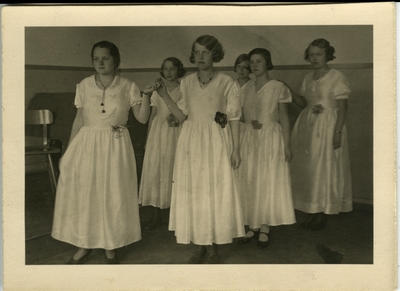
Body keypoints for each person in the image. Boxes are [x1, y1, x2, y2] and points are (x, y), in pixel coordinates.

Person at [51, 40, 151, 264]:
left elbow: (142, 118)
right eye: (96, 59)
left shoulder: (127, 85)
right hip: (87, 144)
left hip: (115, 145)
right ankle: (84, 243)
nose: (100, 62)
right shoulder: (84, 85)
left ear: (115, 60)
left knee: (112, 193)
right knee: (87, 194)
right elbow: (79, 120)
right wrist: (68, 151)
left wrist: (147, 95)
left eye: (105, 58)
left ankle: (110, 244)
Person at [154, 35, 245, 264]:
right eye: (197, 52)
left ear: (214, 54)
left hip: (215, 141)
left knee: (213, 191)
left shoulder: (227, 82)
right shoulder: (186, 82)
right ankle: (200, 244)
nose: (200, 57)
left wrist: (235, 150)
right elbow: (182, 115)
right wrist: (164, 95)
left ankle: (213, 244)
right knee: (195, 191)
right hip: (191, 142)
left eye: (205, 52)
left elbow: (233, 118)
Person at [289, 38, 353, 231]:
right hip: (307, 127)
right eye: (311, 54)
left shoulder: (336, 76)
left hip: (328, 126)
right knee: (309, 169)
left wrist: (338, 132)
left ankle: (323, 211)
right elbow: (302, 103)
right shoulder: (308, 78)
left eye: (319, 54)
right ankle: (312, 211)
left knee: (323, 168)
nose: (314, 58)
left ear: (328, 55)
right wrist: (287, 89)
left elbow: (343, 108)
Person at [236, 48, 296, 248]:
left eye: (259, 61)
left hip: (270, 139)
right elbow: (241, 115)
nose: (254, 65)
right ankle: (252, 224)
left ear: (267, 63)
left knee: (266, 179)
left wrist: (286, 145)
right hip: (249, 138)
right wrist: (248, 123)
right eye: (251, 62)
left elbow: (285, 117)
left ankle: (264, 225)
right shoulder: (245, 88)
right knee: (251, 179)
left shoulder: (278, 87)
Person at [139, 57, 186, 230]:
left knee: (172, 170)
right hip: (158, 132)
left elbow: (184, 112)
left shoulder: (184, 88)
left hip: (175, 132)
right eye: (165, 69)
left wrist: (176, 118)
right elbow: (152, 115)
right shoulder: (157, 89)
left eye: (172, 69)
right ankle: (156, 214)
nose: (169, 72)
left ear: (178, 70)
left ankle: (174, 215)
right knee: (156, 170)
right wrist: (148, 139)